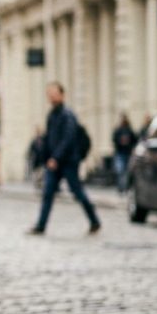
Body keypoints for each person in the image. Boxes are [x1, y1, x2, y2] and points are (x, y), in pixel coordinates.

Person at [28, 82, 101, 235]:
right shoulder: (51, 115)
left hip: (68, 162)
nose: (52, 97)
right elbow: (49, 139)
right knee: (48, 193)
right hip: (54, 163)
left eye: (54, 94)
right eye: (50, 94)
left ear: (62, 95)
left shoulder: (68, 115)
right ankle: (41, 225)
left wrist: (56, 158)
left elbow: (68, 139)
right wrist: (45, 157)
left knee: (77, 192)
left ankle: (94, 220)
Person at [112, 113, 138, 193]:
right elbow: (114, 140)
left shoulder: (129, 130)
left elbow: (135, 140)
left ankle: (125, 187)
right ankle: (121, 187)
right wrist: (120, 143)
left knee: (126, 171)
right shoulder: (118, 130)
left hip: (128, 153)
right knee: (120, 171)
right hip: (120, 153)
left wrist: (130, 146)